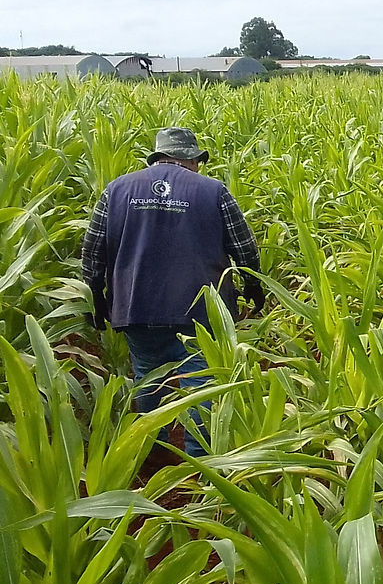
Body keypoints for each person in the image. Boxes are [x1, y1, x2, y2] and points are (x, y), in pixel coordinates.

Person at [81, 127, 264, 457]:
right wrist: (254, 285)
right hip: (200, 311)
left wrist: (95, 295)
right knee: (200, 384)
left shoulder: (116, 191)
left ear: (157, 157)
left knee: (148, 377)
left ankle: (155, 452)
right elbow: (244, 248)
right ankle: (200, 464)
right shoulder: (214, 191)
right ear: (192, 160)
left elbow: (93, 251)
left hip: (136, 307)